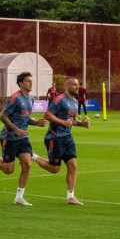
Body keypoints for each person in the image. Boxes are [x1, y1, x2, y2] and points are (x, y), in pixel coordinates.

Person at [0, 71, 47, 206]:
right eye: (28, 81)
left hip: (23, 138)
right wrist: (16, 129)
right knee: (8, 170)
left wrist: (36, 123)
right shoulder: (15, 98)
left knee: (27, 164)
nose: (31, 83)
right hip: (9, 137)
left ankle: (19, 197)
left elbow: (25, 119)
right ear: (20, 83)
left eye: (31, 81)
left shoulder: (31, 99)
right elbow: (3, 116)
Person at [32, 76, 89, 205]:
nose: (77, 86)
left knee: (72, 165)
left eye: (77, 84)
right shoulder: (59, 99)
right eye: (74, 84)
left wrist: (82, 124)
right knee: (54, 169)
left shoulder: (74, 102)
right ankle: (33, 156)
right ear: (67, 86)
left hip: (68, 138)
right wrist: (63, 122)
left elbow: (71, 121)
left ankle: (70, 197)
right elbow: (47, 115)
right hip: (55, 138)